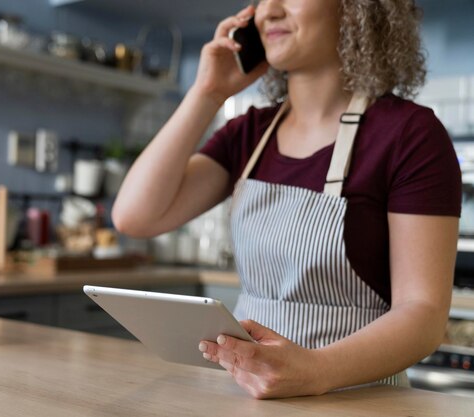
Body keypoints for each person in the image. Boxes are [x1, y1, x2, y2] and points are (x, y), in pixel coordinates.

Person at [112, 0, 461, 399]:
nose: (269, 11)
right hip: (245, 395)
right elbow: (135, 216)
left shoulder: (410, 136)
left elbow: (423, 315)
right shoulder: (249, 134)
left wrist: (315, 370)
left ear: (355, 9)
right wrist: (207, 93)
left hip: (360, 400)